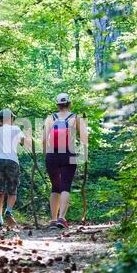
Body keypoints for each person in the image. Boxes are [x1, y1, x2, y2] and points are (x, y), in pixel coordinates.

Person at [43, 93, 88, 229]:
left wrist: (46, 155)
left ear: (57, 105)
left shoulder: (50, 118)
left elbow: (44, 140)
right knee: (65, 185)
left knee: (55, 187)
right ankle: (62, 218)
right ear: (69, 104)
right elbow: (85, 139)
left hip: (52, 155)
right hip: (69, 153)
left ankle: (53, 219)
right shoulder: (76, 118)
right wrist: (84, 155)